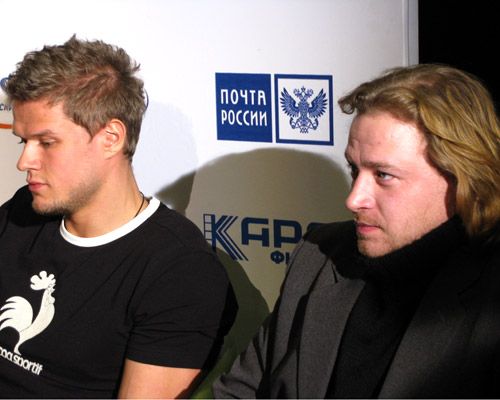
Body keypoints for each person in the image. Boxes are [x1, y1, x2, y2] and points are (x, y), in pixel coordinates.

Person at [212, 63, 500, 398]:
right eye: (354, 169)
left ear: (463, 177)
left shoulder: (490, 297)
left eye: (383, 175)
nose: (353, 199)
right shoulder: (319, 255)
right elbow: (240, 391)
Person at [0, 36, 237, 398]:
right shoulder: (24, 210)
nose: (24, 162)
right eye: (23, 142)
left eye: (47, 143)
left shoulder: (180, 272)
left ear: (111, 138)